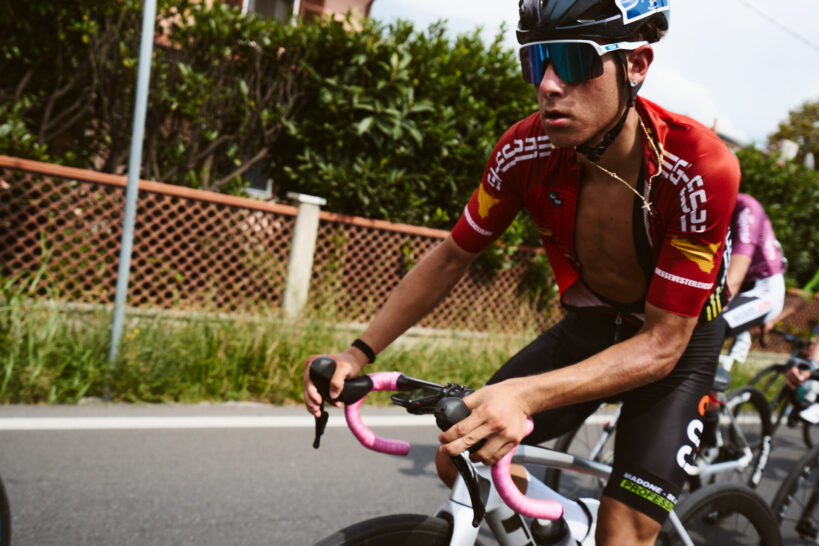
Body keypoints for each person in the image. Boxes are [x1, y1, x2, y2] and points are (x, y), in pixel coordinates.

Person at [303, 1, 740, 544]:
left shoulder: (699, 168)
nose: (550, 85)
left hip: (675, 346)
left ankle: (592, 529)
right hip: (592, 326)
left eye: (574, 62)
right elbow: (452, 256)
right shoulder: (523, 150)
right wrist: (357, 353)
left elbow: (661, 344)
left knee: (622, 532)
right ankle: (560, 528)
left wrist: (524, 396)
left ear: (637, 64)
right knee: (461, 454)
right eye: (536, 63)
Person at [717, 193, 787, 371]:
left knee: (712, 326)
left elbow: (735, 274)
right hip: (744, 288)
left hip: (764, 290)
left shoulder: (746, 206)